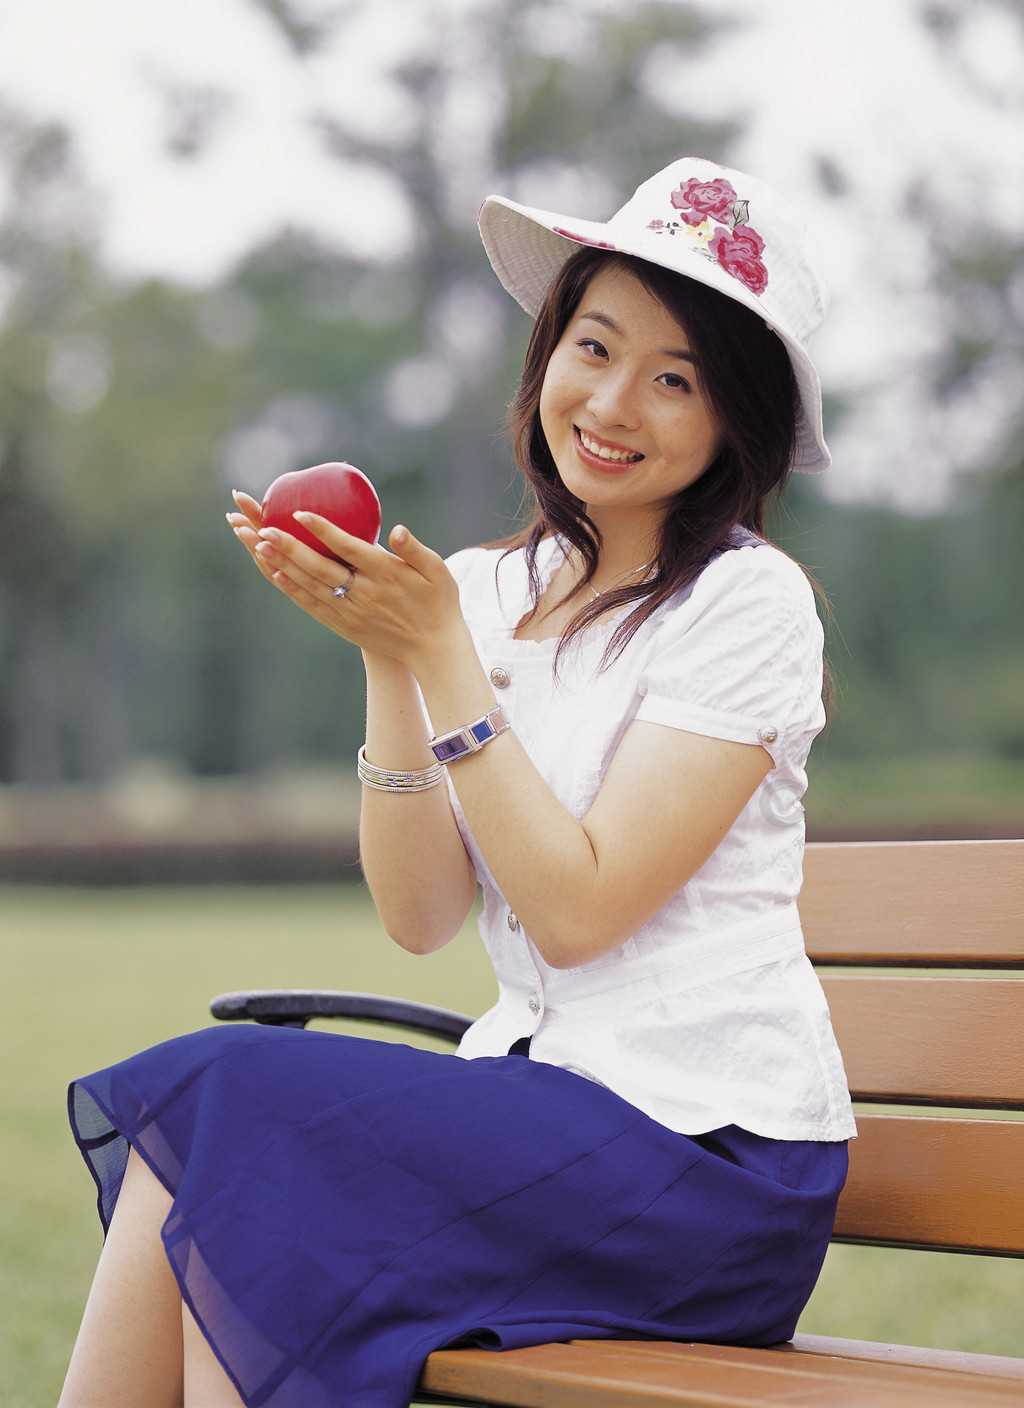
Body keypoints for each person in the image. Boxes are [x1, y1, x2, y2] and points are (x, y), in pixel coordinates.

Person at [60, 157, 856, 1408]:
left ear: (731, 423)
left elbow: (580, 914)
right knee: (232, 1159)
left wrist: (439, 656)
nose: (613, 401)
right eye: (593, 348)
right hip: (535, 1126)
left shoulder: (744, 605)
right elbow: (421, 916)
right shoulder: (482, 589)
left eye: (675, 379)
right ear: (546, 355)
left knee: (228, 1105)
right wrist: (394, 656)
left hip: (708, 1169)